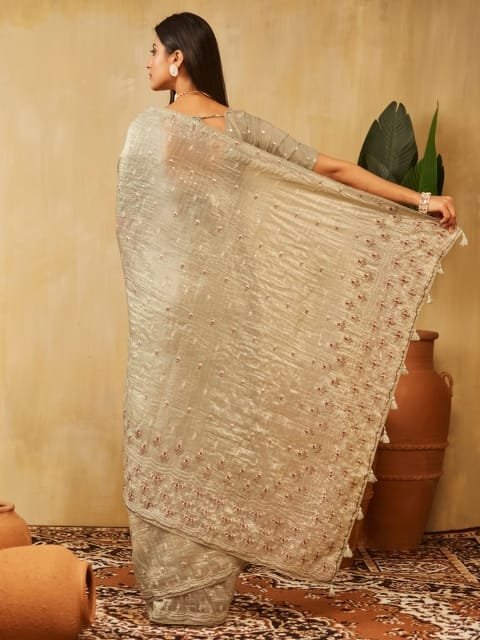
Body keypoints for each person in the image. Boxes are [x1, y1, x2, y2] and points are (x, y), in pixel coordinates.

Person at [117, 12, 460, 627]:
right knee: (219, 433)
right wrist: (422, 199)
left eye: (153, 50)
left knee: (177, 427)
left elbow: (139, 225)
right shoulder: (238, 128)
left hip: (171, 307)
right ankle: (204, 588)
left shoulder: (151, 131)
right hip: (223, 305)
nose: (146, 62)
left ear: (178, 59)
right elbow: (330, 168)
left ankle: (174, 590)